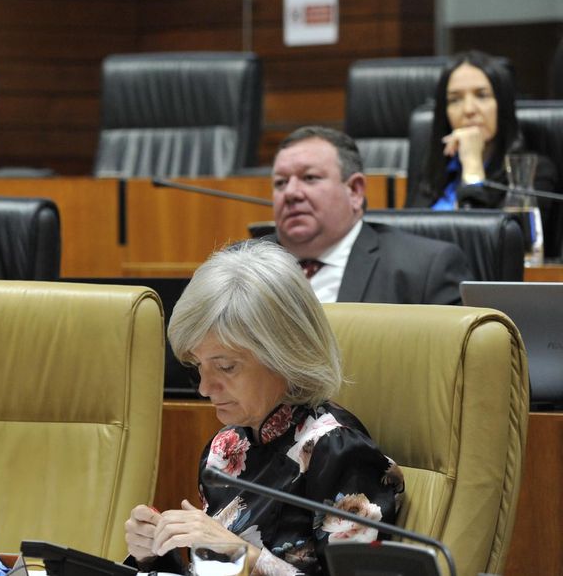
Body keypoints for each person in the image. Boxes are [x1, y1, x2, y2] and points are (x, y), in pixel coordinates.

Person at [125, 240, 404, 575]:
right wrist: (154, 550)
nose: (204, 388)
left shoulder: (337, 452)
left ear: (285, 354)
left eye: (226, 367)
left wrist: (240, 553)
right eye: (199, 366)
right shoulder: (228, 446)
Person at [270, 126, 471, 304]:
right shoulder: (243, 264)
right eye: (281, 182)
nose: (290, 193)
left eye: (309, 178)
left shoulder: (424, 270)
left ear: (355, 191)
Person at [409, 50, 557, 209]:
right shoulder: (434, 168)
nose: (468, 109)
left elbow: (481, 232)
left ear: (502, 105)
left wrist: (472, 166)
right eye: (455, 99)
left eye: (481, 95)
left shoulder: (533, 173)